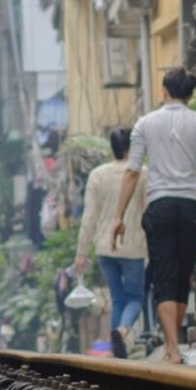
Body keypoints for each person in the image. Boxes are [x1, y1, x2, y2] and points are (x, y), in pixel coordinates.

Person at [111, 68, 196, 364]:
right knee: (182, 275)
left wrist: (118, 216)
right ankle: (174, 346)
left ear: (164, 92)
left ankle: (172, 349)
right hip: (191, 209)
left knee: (164, 277)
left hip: (160, 207)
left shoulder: (144, 124)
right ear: (190, 95)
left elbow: (133, 171)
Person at [76, 126, 147, 358]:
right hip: (133, 245)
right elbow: (148, 211)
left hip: (105, 247)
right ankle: (123, 330)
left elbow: (89, 217)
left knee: (118, 299)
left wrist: (81, 252)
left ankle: (119, 353)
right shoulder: (142, 173)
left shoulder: (97, 175)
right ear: (131, 147)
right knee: (136, 298)